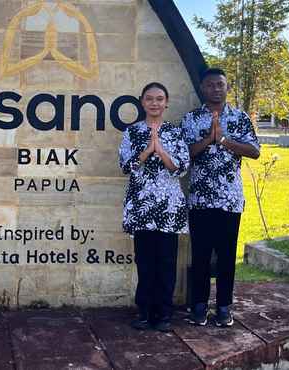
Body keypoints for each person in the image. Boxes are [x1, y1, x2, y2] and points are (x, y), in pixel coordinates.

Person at [181, 68, 260, 327]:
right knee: (201, 254)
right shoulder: (191, 119)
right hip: (200, 199)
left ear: (227, 88)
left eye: (220, 84)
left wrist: (224, 140)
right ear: (202, 88)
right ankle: (199, 306)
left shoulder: (239, 117)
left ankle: (225, 307)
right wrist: (209, 139)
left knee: (227, 255)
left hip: (229, 198)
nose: (216, 89)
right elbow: (184, 155)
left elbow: (254, 151)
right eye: (210, 85)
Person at [118, 82, 189, 332]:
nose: (155, 103)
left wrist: (162, 151)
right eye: (150, 99)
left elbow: (180, 168)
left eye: (160, 98)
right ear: (142, 102)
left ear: (166, 102)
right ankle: (144, 312)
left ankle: (164, 315)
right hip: (141, 208)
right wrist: (148, 150)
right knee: (145, 261)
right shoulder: (132, 132)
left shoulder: (176, 132)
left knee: (167, 262)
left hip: (168, 208)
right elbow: (126, 166)